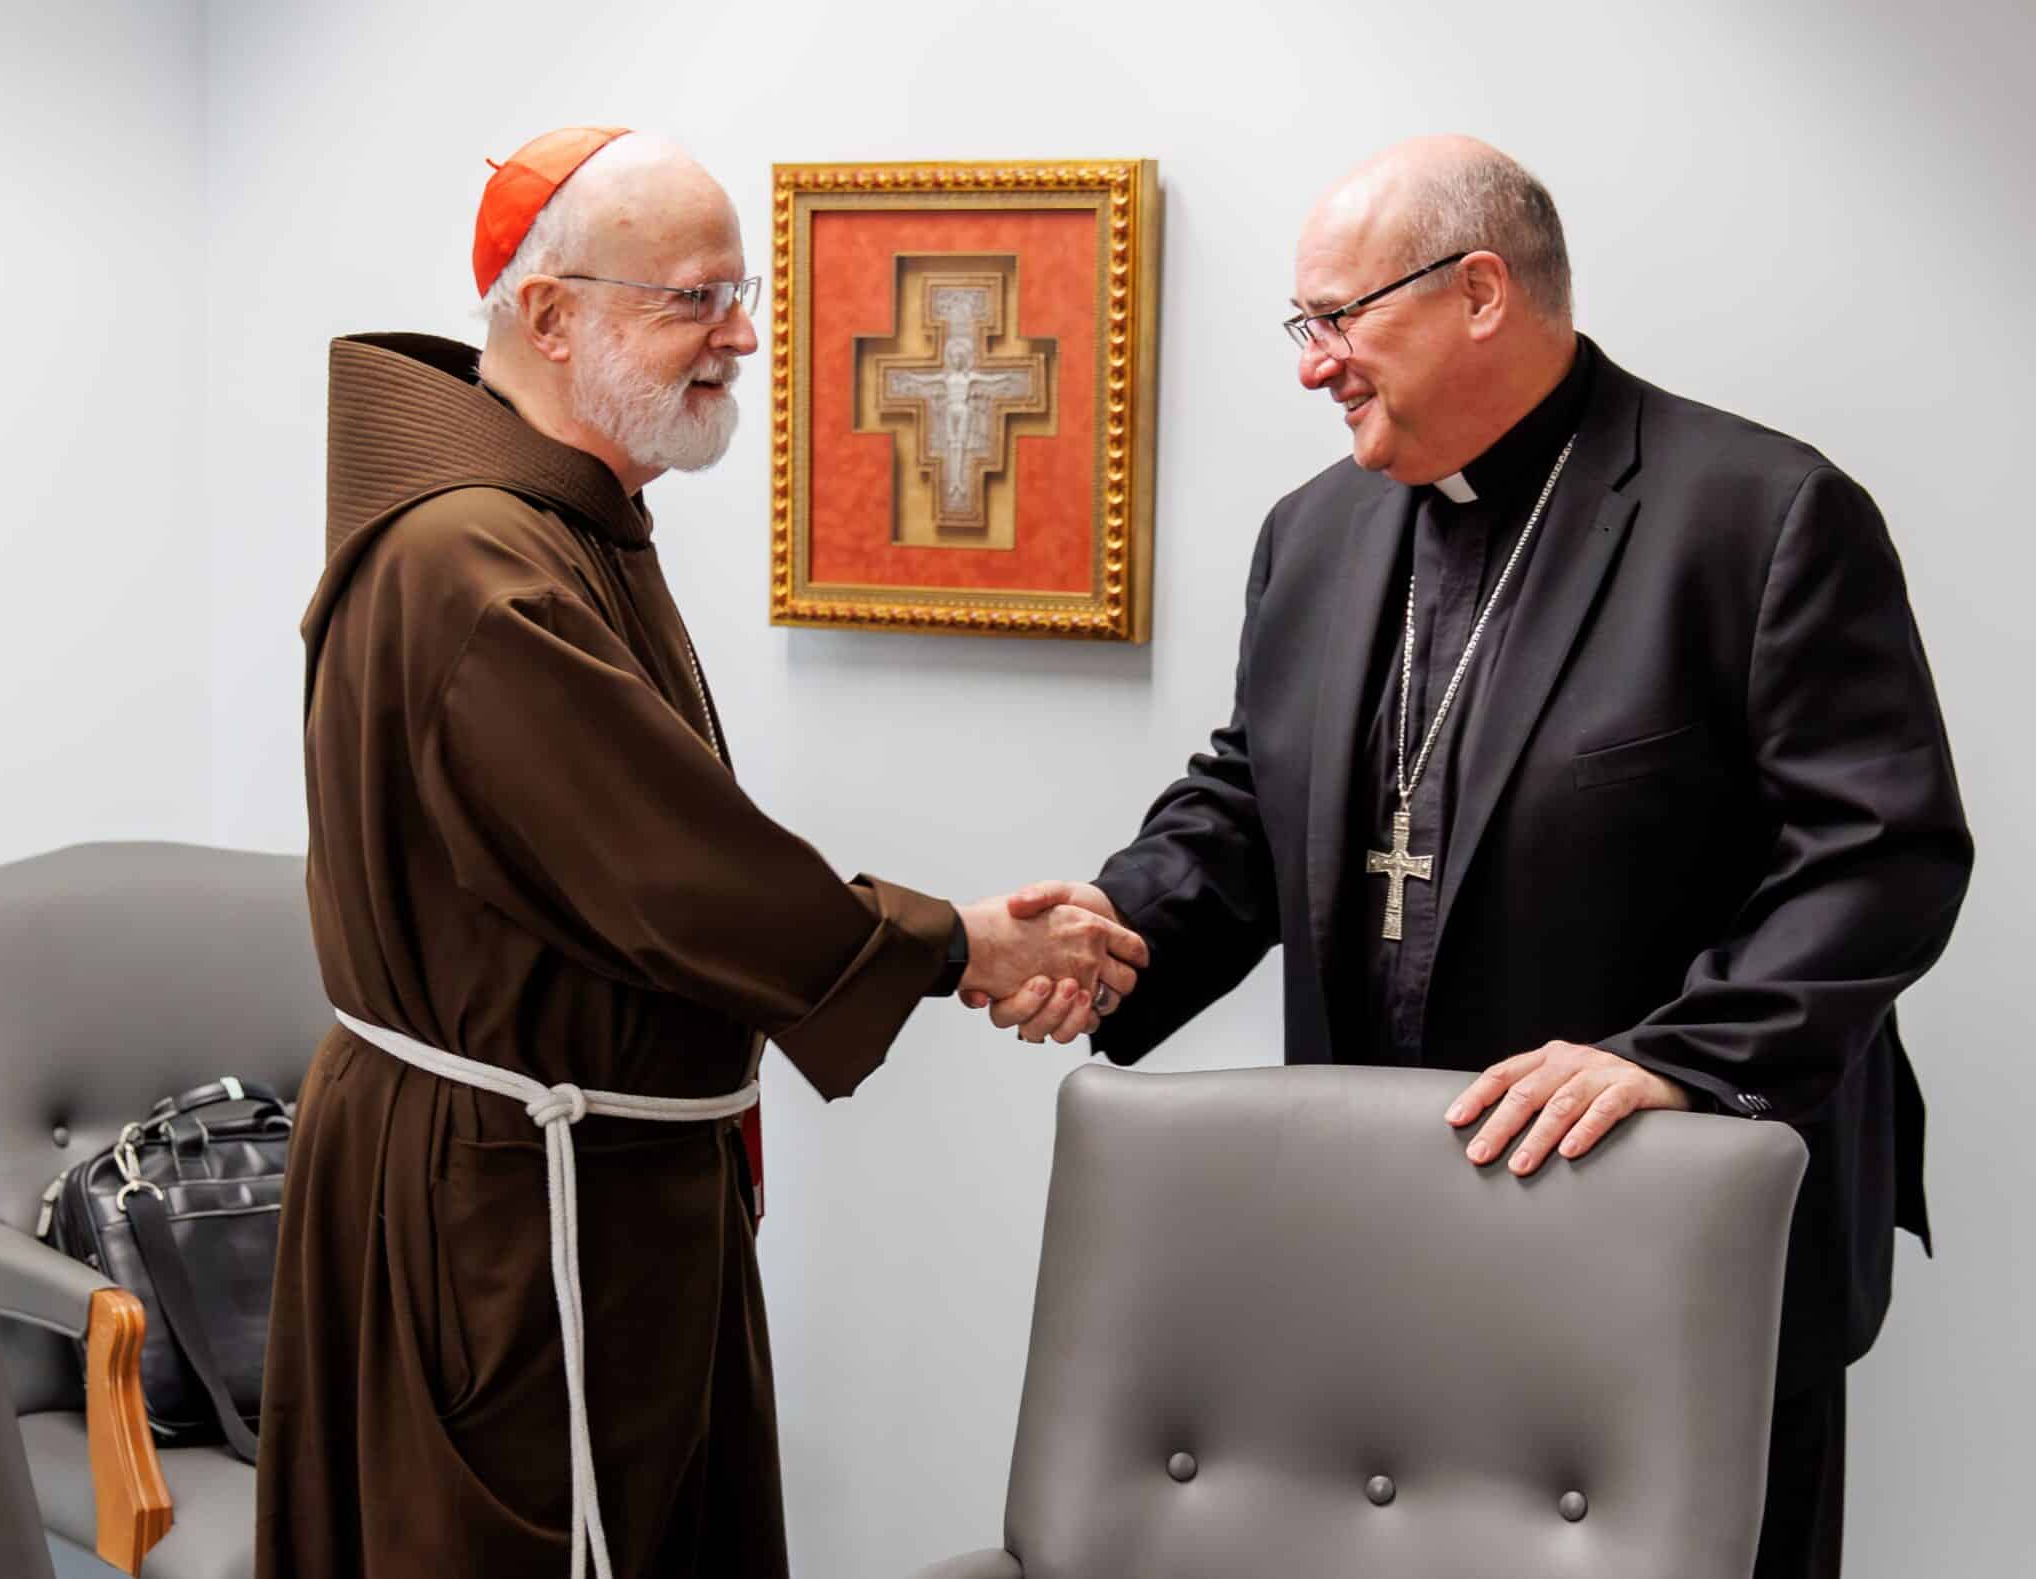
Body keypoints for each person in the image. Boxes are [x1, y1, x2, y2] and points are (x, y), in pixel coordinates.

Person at [974, 135, 1971, 1578]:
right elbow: (1257, 801)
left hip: (1665, 1222)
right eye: (1300, 326)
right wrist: (1115, 927)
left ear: (1482, 292)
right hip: (1390, 1222)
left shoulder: (1756, 515)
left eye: (1338, 320)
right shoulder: (1309, 535)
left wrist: (1681, 1055)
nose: (1313, 364)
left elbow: (1881, 854)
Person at [256, 127, 1146, 1579]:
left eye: (743, 293)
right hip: (504, 1215)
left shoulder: (565, 526)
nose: (741, 335)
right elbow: (673, 871)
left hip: (602, 1188)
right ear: (549, 315)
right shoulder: (472, 564)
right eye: (693, 298)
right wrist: (960, 944)